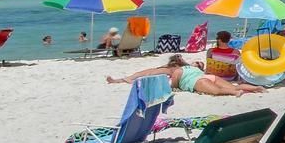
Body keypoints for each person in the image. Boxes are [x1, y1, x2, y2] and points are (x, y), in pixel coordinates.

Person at [107, 54, 262, 97]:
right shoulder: (189, 67)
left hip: (199, 81)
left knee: (216, 91)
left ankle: (237, 92)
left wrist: (171, 86)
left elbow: (148, 74)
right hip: (208, 77)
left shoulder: (177, 71)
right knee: (231, 86)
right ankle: (256, 88)